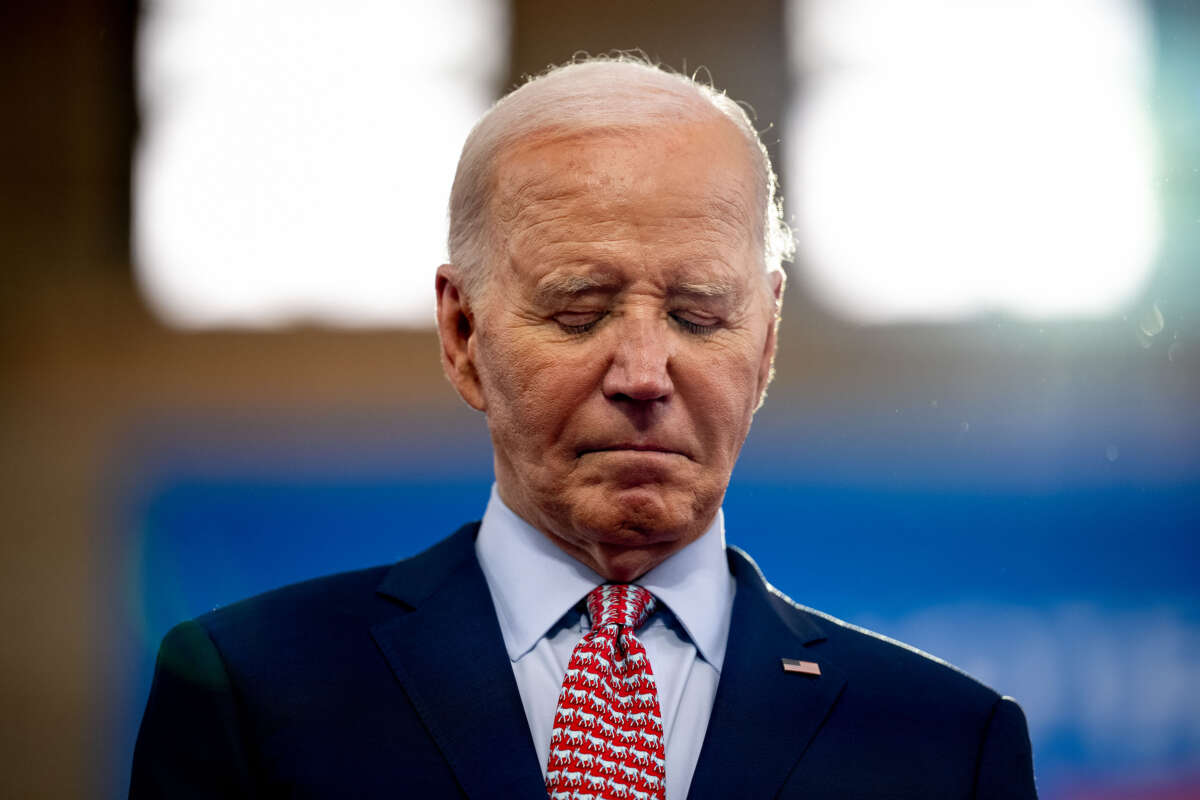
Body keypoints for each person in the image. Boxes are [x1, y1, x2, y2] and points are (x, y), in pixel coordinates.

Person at [130, 58, 1037, 799]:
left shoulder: (948, 745)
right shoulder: (252, 694)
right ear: (463, 334)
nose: (643, 374)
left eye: (699, 313)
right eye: (579, 310)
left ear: (766, 341)